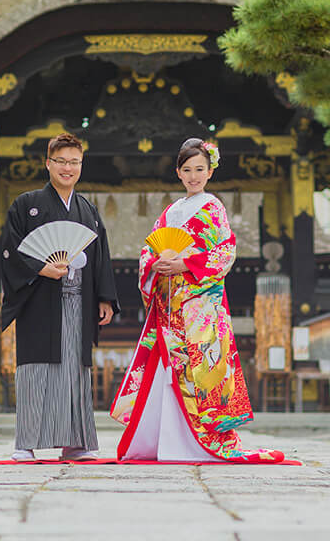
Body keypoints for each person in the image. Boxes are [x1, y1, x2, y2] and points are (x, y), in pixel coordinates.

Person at [110, 138, 284, 463]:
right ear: (178, 172)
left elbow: (224, 252)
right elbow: (149, 249)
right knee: (169, 371)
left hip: (200, 307)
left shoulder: (213, 207)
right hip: (170, 305)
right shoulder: (171, 211)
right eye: (187, 170)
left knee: (200, 372)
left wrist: (185, 264)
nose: (193, 176)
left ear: (210, 171)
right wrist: (155, 264)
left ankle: (201, 442)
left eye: (199, 169)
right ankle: (166, 442)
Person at [1, 132, 120, 461]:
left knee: (75, 370)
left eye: (74, 162)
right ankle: (26, 443)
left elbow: (100, 257)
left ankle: (75, 443)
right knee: (36, 369)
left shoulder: (88, 210)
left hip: (79, 299)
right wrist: (41, 268)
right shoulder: (27, 205)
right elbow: (10, 250)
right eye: (61, 162)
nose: (68, 168)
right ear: (48, 164)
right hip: (39, 298)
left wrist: (105, 298)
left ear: (81, 165)